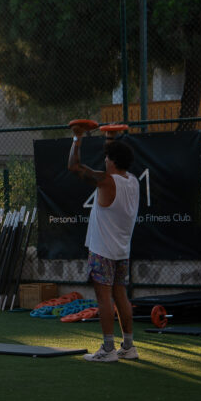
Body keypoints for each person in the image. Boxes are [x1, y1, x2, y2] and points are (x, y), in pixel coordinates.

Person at [68, 128, 140, 361]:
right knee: (121, 296)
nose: (105, 160)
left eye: (107, 157)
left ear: (113, 161)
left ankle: (108, 349)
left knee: (104, 299)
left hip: (102, 251)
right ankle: (128, 347)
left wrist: (77, 137)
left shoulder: (106, 182)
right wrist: (110, 138)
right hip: (122, 250)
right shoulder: (133, 181)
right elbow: (111, 162)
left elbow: (74, 167)